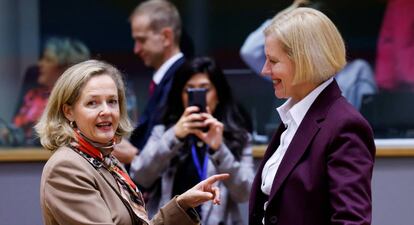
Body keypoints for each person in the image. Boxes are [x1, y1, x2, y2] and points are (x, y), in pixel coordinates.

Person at [35, 59, 229, 225]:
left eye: (112, 101)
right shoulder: (66, 167)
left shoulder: (107, 160)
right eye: (92, 103)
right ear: (68, 111)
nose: (107, 111)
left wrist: (182, 205)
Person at [248, 8, 375, 225]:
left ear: (305, 60)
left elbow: (351, 221)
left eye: (273, 61)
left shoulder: (345, 125)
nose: (264, 70)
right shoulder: (293, 118)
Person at [130, 57, 254, 225]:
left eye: (204, 90)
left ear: (218, 94)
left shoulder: (238, 135)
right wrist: (174, 136)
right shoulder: (164, 131)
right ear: (180, 95)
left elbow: (246, 192)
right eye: (189, 90)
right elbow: (140, 175)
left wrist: (220, 149)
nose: (196, 97)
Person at [239, 0, 377, 110]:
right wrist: (293, 9)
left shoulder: (357, 70)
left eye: (307, 36)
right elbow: (249, 51)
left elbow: (370, 116)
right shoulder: (295, 70)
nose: (266, 70)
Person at [128, 0, 186, 151]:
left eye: (142, 40)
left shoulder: (184, 79)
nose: (136, 49)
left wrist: (134, 156)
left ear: (166, 37)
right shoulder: (166, 78)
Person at [13, 36, 90, 145]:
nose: (40, 64)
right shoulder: (32, 94)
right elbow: (16, 129)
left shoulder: (73, 100)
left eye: (48, 60)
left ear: (64, 67)